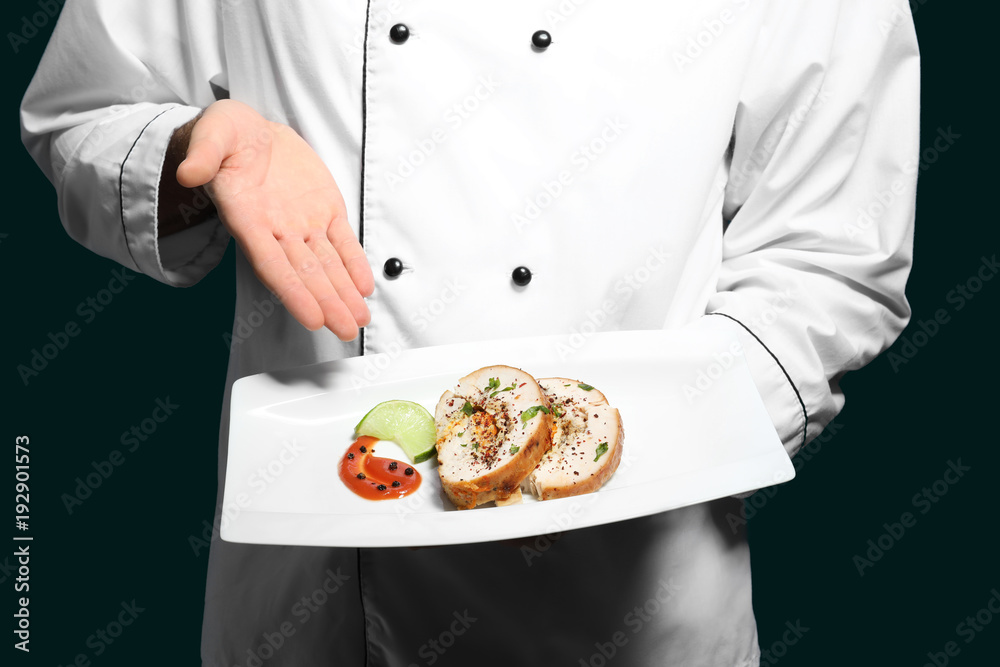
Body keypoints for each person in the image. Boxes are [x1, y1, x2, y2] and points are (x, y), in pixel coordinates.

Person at [20, 1, 920, 665]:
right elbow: (79, 113)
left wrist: (646, 439)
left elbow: (833, 254)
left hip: (636, 607)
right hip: (315, 605)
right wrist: (196, 154)